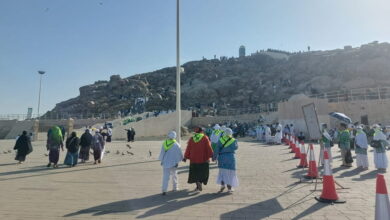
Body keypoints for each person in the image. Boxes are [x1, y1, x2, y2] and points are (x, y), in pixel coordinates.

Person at [183, 127, 213, 191]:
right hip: (203, 158)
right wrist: (211, 155)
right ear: (201, 131)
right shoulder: (205, 138)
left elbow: (188, 148)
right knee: (203, 172)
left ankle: (197, 185)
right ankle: (200, 182)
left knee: (195, 172)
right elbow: (208, 147)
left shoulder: (192, 138)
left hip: (193, 159)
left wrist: (185, 157)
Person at [213, 128, 239, 193]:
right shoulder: (233, 140)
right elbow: (236, 148)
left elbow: (216, 150)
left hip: (222, 157)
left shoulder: (220, 140)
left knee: (222, 172)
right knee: (230, 173)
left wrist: (214, 157)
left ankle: (222, 185)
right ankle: (229, 188)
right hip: (230, 157)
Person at [158, 131, 183, 195]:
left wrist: (162, 161)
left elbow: (162, 153)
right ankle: (175, 187)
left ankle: (164, 190)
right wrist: (178, 161)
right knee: (174, 175)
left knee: (165, 177)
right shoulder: (176, 144)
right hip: (174, 163)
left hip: (166, 163)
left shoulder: (165, 143)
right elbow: (179, 154)